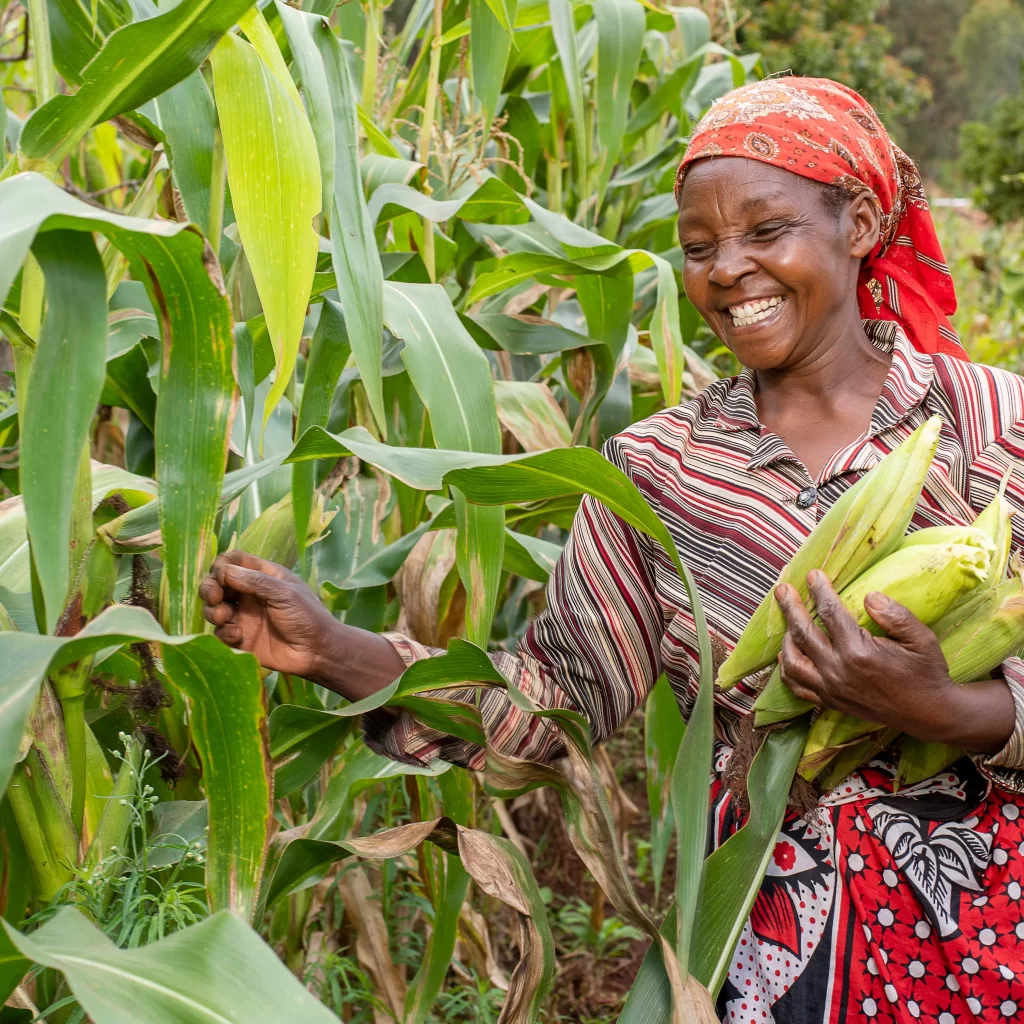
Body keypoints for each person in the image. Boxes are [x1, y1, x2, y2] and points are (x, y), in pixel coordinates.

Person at [199, 78, 1024, 1023]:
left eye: (766, 231)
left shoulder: (993, 426)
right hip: (760, 936)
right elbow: (551, 707)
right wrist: (334, 649)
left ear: (862, 222)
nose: (727, 271)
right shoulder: (656, 472)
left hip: (988, 933)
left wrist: (944, 707)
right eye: (699, 247)